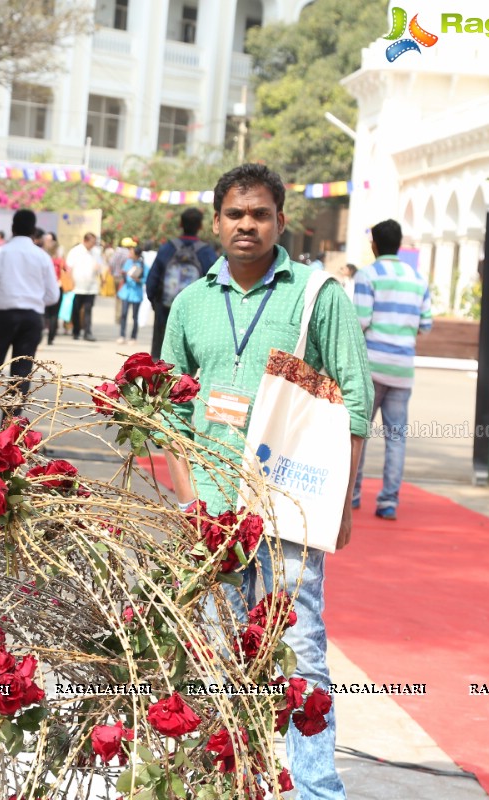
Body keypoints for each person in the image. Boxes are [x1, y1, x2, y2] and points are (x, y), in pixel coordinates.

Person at [161, 163, 372, 800]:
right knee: (218, 657)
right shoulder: (192, 303)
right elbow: (167, 404)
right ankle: (233, 782)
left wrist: (340, 500)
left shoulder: (317, 295)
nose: (246, 224)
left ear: (282, 222)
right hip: (214, 513)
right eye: (234, 214)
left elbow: (355, 400)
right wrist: (191, 497)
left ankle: (315, 790)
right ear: (216, 223)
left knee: (299, 652)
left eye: (259, 214)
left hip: (290, 510)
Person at [352, 219, 432, 521]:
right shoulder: (417, 278)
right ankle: (388, 502)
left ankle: (353, 496)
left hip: (372, 368)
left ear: (374, 244)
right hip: (402, 369)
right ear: (399, 244)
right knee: (397, 438)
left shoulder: (368, 275)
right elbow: (425, 324)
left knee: (358, 433)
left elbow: (360, 320)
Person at [0, 209, 60, 425]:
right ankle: (9, 429)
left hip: (5, 316)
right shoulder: (42, 257)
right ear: (33, 231)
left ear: (13, 228)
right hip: (32, 319)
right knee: (21, 375)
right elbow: (52, 295)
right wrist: (32, 300)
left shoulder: (0, 253)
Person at [145, 208, 217, 359]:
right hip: (196, 313)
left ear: (180, 224)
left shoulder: (167, 248)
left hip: (165, 309)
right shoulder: (206, 252)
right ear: (200, 227)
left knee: (160, 355)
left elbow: (152, 280)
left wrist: (155, 303)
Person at [66, 232, 101, 341]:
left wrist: (98, 269)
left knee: (88, 310)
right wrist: (70, 281)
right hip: (77, 286)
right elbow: (69, 267)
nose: (93, 245)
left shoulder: (96, 252)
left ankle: (87, 332)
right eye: (92, 242)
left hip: (91, 286)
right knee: (76, 310)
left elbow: (100, 266)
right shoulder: (76, 251)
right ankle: (76, 331)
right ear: (85, 241)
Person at [41, 233, 66, 345]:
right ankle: (51, 338)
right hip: (58, 287)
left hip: (45, 288)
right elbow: (67, 271)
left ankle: (41, 334)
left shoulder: (44, 259)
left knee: (44, 312)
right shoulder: (60, 261)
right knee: (54, 314)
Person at [116, 245, 144, 344]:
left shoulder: (143, 265)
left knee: (135, 316)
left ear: (136, 254)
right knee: (123, 314)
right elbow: (124, 273)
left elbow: (145, 278)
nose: (129, 254)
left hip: (136, 294)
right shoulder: (128, 262)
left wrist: (139, 280)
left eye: (131, 253)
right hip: (126, 292)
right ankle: (122, 335)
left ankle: (133, 337)